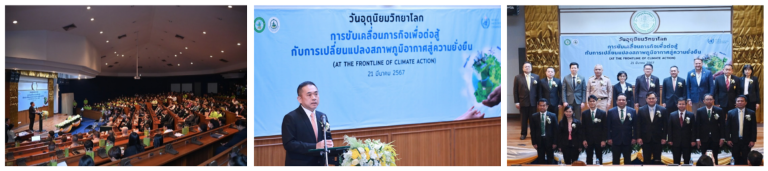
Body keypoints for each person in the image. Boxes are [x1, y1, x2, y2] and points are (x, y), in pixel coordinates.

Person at [281, 81, 333, 166]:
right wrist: (315, 146)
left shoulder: (322, 116)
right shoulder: (291, 118)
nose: (314, 98)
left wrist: (329, 144)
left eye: (316, 94)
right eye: (309, 95)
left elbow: (327, 138)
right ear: (299, 99)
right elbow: (289, 144)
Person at [636, 92, 667, 165]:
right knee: (646, 160)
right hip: (645, 139)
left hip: (658, 139)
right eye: (649, 98)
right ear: (646, 99)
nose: (651, 100)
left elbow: (665, 125)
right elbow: (638, 125)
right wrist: (639, 137)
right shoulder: (641, 110)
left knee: (657, 160)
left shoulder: (662, 110)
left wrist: (664, 137)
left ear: (656, 99)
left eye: (653, 98)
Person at [725, 95, 757, 165]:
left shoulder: (751, 113)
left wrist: (752, 140)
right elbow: (728, 128)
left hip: (747, 141)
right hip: (734, 141)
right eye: (738, 101)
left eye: (742, 101)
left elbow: (753, 127)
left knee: (746, 159)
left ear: (746, 102)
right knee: (735, 159)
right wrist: (728, 139)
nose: (740, 102)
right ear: (735, 103)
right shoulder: (730, 113)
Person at [606, 94, 636, 165]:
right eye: (619, 100)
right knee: (615, 161)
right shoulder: (611, 111)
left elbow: (635, 126)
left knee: (628, 161)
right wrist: (609, 138)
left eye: (623, 100)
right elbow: (608, 126)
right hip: (615, 140)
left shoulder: (632, 111)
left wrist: (634, 137)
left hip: (628, 140)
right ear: (616, 101)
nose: (621, 101)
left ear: (626, 102)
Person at [695, 94, 725, 162]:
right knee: (703, 158)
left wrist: (722, 138)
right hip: (703, 138)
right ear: (704, 101)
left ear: (713, 100)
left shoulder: (719, 110)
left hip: (715, 138)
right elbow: (697, 126)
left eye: (711, 99)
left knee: (715, 157)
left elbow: (722, 125)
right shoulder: (699, 111)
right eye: (707, 99)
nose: (709, 101)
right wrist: (697, 138)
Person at [514, 62, 539, 140]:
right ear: (523, 68)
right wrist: (516, 102)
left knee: (533, 119)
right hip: (523, 102)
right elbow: (515, 91)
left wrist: (539, 102)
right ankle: (523, 134)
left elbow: (538, 90)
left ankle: (533, 134)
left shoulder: (536, 77)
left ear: (531, 68)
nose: (527, 68)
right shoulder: (518, 77)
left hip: (533, 102)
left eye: (529, 66)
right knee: (523, 119)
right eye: (525, 67)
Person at [667, 98, 696, 165]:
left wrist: (693, 140)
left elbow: (694, 129)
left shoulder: (691, 115)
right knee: (676, 161)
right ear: (677, 105)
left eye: (683, 104)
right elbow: (669, 129)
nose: (681, 105)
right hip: (675, 142)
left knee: (687, 161)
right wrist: (670, 140)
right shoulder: (672, 115)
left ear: (686, 105)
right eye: (680, 104)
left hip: (687, 142)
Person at [530, 98, 558, 164]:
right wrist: (534, 142)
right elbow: (533, 131)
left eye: (544, 105)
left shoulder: (553, 116)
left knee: (550, 158)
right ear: (538, 106)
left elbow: (556, 130)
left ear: (547, 106)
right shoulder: (534, 116)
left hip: (550, 141)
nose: (542, 107)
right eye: (540, 105)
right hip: (539, 141)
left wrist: (555, 142)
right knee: (540, 159)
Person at [582, 95, 606, 165]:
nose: (592, 103)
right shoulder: (584, 113)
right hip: (588, 140)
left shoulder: (602, 113)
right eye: (590, 101)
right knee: (589, 158)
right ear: (588, 103)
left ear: (596, 102)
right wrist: (584, 139)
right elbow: (583, 127)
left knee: (599, 158)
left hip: (599, 140)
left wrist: (603, 140)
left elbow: (604, 128)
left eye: (593, 101)